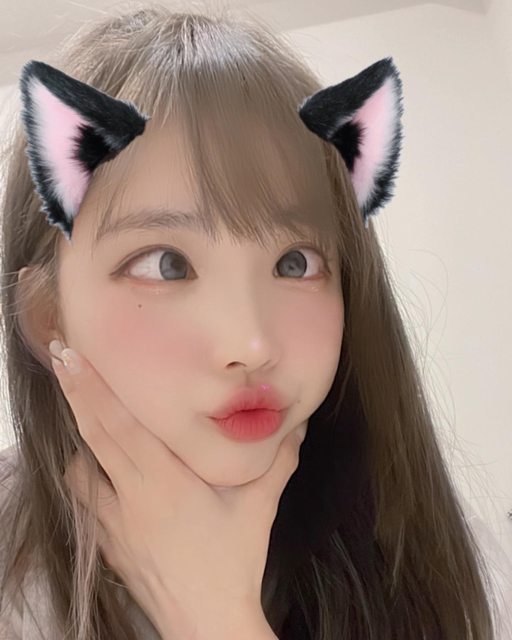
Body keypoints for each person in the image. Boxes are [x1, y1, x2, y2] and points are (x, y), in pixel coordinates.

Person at [0, 3, 509, 639]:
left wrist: (213, 613)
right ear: (48, 315)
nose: (252, 343)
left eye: (296, 263)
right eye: (165, 265)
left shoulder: (436, 558)